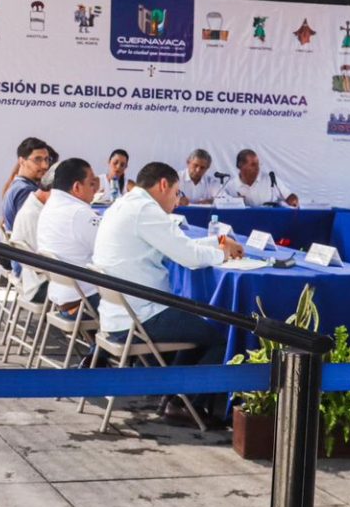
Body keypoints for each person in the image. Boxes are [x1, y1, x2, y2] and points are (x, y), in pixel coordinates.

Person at [92, 161, 242, 427]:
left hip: (120, 314)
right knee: (220, 339)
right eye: (176, 192)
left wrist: (219, 242)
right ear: (163, 184)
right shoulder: (146, 210)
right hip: (139, 318)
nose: (177, 200)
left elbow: (176, 244)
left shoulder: (126, 204)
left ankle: (174, 397)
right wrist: (223, 254)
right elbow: (189, 257)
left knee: (194, 326)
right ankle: (185, 405)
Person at [38, 157, 103, 309]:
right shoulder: (79, 213)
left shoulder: (50, 207)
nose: (95, 190)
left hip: (61, 295)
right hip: (84, 299)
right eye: (91, 184)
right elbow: (109, 250)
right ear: (77, 187)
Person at [2, 136, 52, 230]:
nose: (45, 166)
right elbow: (31, 227)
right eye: (38, 159)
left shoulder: (16, 186)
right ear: (22, 161)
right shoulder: (26, 191)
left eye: (46, 159)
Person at [219, 148, 298, 207]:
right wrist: (235, 202)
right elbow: (223, 206)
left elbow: (288, 196)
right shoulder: (230, 186)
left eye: (258, 164)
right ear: (240, 165)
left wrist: (292, 199)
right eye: (253, 165)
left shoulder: (270, 180)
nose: (257, 168)